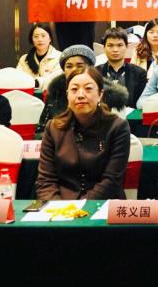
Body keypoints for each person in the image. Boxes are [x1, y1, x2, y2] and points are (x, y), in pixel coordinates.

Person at [35, 65, 131, 200]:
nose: (80, 95)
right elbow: (46, 181)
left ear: (100, 94)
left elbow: (112, 181)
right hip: (60, 205)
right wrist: (57, 207)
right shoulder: (53, 128)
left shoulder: (117, 127)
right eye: (74, 89)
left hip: (102, 204)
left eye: (88, 89)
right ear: (67, 95)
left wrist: (80, 207)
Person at [38, 45, 100, 131]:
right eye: (69, 66)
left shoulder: (100, 91)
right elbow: (43, 127)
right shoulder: (55, 91)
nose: (74, 70)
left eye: (79, 66)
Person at [99, 27, 147, 108]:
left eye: (119, 45)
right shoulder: (96, 72)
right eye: (110, 45)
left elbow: (140, 105)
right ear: (104, 47)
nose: (115, 50)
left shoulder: (139, 74)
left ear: (127, 46)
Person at [16, 22, 63, 88]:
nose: (39, 39)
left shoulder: (59, 57)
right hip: (28, 93)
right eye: (36, 36)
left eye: (43, 36)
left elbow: (56, 80)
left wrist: (37, 83)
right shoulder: (24, 59)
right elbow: (18, 79)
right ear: (32, 39)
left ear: (50, 38)